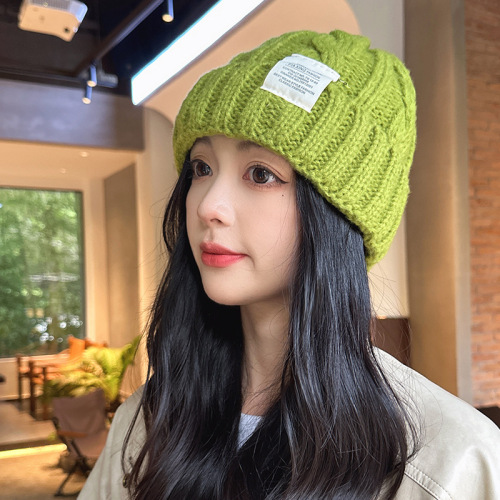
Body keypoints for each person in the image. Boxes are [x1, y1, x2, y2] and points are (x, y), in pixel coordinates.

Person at [78, 30, 500, 499]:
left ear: (339, 216)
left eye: (261, 173)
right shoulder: (146, 424)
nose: (208, 206)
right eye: (201, 168)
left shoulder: (454, 464)